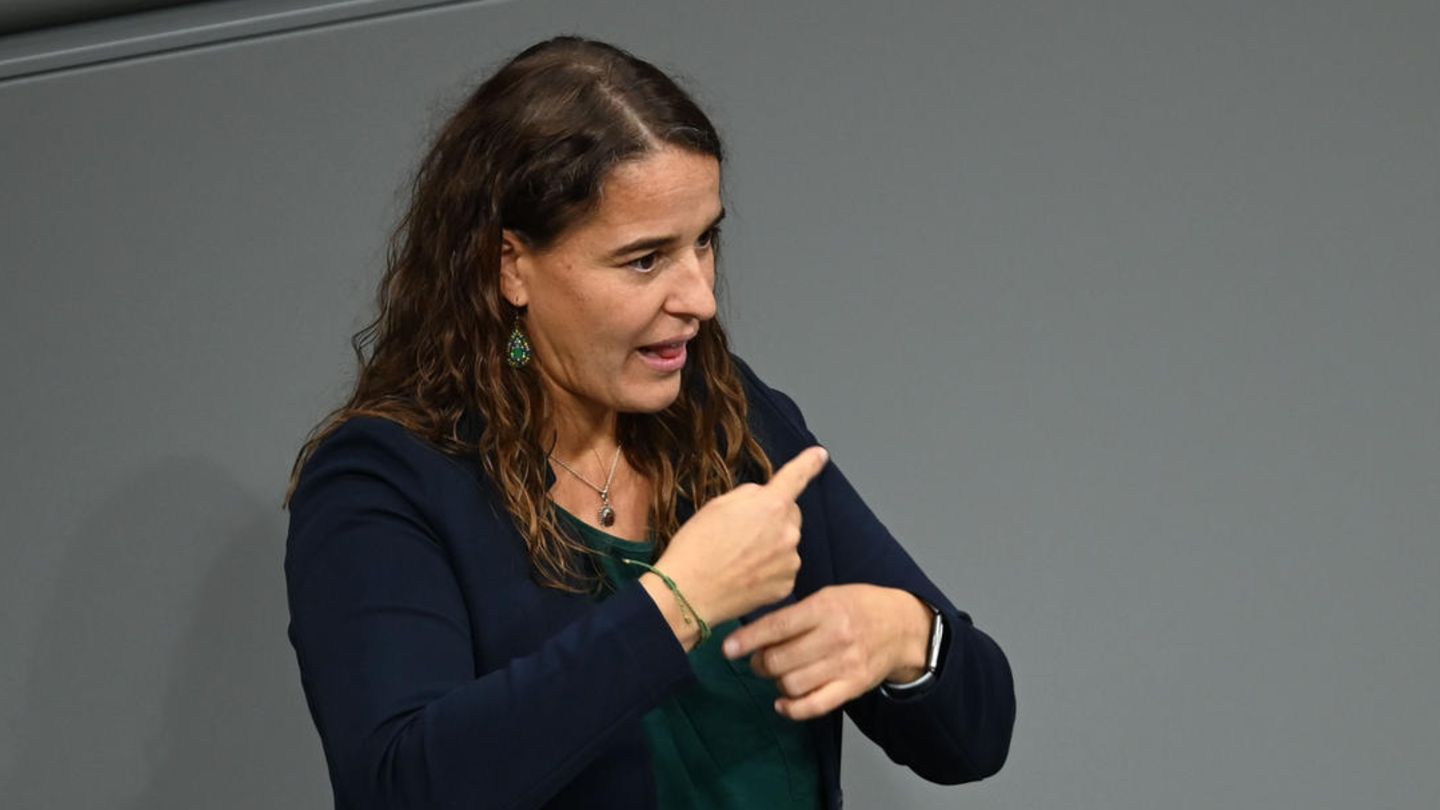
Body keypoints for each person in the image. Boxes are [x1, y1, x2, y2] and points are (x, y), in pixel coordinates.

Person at [282, 35, 1014, 810]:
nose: (698, 296)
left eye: (706, 241)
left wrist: (905, 636)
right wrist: (678, 604)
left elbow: (977, 734)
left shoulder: (732, 417)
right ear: (511, 267)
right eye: (644, 259)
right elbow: (403, 788)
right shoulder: (382, 483)